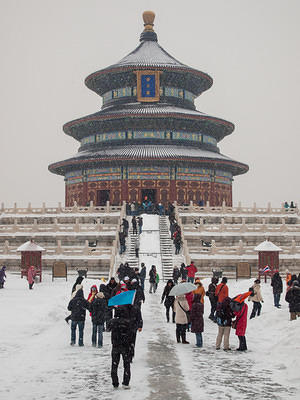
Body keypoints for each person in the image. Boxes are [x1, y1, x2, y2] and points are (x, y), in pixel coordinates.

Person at [107, 311, 132, 388]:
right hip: (125, 346)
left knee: (114, 365)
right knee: (126, 365)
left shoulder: (112, 322)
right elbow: (131, 333)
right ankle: (126, 382)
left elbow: (108, 328)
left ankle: (115, 382)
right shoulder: (127, 322)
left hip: (115, 345)